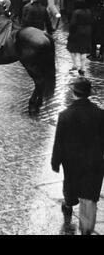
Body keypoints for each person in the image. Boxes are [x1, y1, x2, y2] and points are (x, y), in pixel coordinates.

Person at [52, 77, 104, 235]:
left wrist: (55, 161)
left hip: (72, 162)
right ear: (89, 93)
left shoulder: (65, 115)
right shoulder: (100, 114)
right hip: (94, 162)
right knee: (89, 197)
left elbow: (59, 142)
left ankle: (68, 204)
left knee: (70, 185)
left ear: (73, 93)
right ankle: (87, 230)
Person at [67, 0, 94, 76]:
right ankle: (82, 68)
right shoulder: (89, 11)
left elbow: (73, 23)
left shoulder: (76, 12)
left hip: (77, 32)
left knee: (72, 48)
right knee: (83, 50)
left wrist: (71, 33)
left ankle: (75, 64)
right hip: (87, 31)